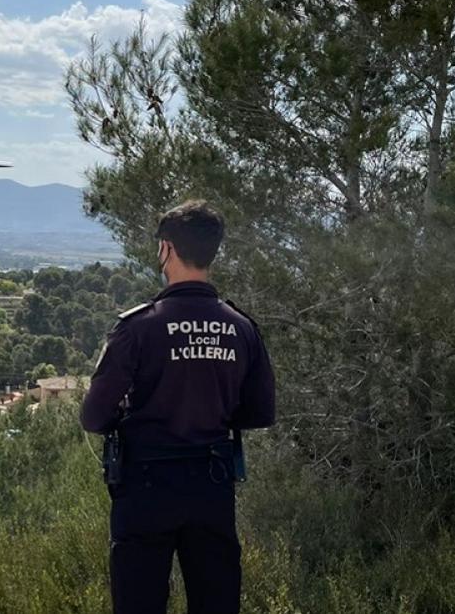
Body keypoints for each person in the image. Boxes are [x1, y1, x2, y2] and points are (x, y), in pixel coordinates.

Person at [80, 200, 276, 614]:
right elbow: (259, 412)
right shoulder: (241, 328)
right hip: (212, 484)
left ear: (166, 249)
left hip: (145, 487)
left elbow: (94, 417)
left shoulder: (138, 328)